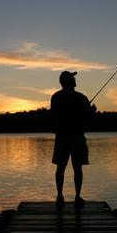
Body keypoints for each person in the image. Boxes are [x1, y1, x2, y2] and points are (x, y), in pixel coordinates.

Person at [50, 70, 96, 209]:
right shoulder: (81, 97)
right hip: (77, 137)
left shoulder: (56, 97)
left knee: (60, 168)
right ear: (71, 82)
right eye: (73, 78)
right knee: (78, 168)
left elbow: (54, 116)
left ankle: (60, 196)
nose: (76, 80)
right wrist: (92, 110)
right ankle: (77, 197)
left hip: (62, 137)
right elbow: (88, 116)